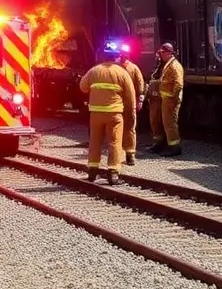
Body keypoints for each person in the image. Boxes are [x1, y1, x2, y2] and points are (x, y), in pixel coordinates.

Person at [79, 42, 137, 185]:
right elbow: (130, 96)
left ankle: (92, 171)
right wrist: (130, 114)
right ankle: (113, 173)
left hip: (96, 114)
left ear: (103, 56)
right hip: (114, 115)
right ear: (117, 56)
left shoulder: (94, 71)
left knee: (95, 141)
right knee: (114, 142)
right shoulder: (122, 72)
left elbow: (83, 87)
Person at [148, 42, 184, 156]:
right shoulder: (168, 64)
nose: (161, 55)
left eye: (163, 53)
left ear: (169, 53)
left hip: (170, 99)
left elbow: (178, 84)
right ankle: (164, 145)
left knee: (170, 123)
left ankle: (174, 148)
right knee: (164, 122)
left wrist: (173, 98)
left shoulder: (175, 66)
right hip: (166, 98)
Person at [114, 44, 145, 165]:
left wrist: (140, 99)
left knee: (125, 128)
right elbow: (140, 84)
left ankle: (128, 154)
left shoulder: (121, 68)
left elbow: (140, 84)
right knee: (126, 129)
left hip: (123, 103)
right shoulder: (123, 67)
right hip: (124, 102)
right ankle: (126, 154)